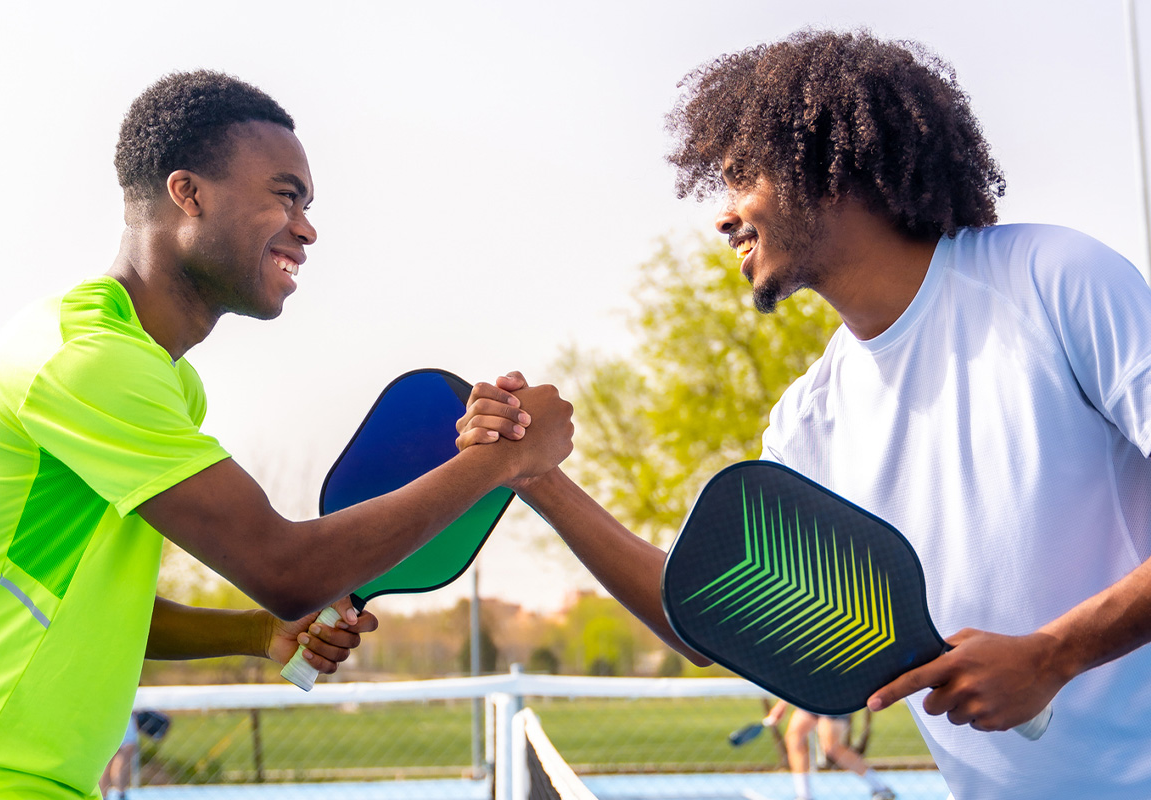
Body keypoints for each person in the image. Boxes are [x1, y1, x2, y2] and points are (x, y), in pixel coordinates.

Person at [456, 29, 1151, 799]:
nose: (722, 218)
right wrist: (536, 478)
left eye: (741, 178)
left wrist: (1054, 654)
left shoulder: (1055, 280)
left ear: (826, 165)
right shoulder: (808, 422)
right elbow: (705, 612)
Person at [0, 70, 574, 800]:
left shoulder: (159, 376)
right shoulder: (89, 362)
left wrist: (253, 633)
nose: (306, 228)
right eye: (285, 196)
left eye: (307, 205)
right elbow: (285, 570)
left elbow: (87, 606)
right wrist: (505, 460)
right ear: (189, 194)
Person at [757, 700, 893, 800]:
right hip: (810, 697)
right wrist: (782, 705)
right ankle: (804, 795)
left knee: (831, 747)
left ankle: (880, 787)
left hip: (834, 697)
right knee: (794, 737)